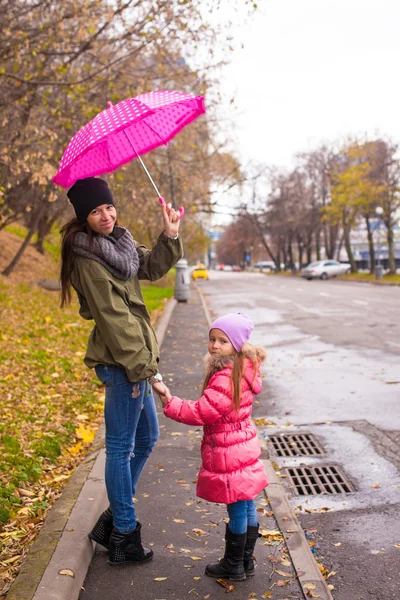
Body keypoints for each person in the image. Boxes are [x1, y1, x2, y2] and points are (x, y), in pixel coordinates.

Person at [59, 177, 182, 566]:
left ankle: (115, 517)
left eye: (108, 207)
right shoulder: (86, 259)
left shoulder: (119, 243)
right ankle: (124, 534)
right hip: (122, 363)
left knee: (146, 438)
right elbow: (115, 322)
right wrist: (150, 372)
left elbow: (150, 267)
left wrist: (169, 234)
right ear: (83, 218)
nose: (106, 215)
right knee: (120, 447)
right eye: (96, 211)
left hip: (133, 360)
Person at [155, 312, 268, 581]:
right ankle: (245, 561)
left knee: (238, 506)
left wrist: (169, 401)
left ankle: (233, 566)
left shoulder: (226, 376)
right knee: (247, 501)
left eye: (222, 341)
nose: (215, 345)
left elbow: (202, 412)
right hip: (242, 444)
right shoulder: (243, 369)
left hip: (230, 449)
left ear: (237, 346)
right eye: (212, 339)